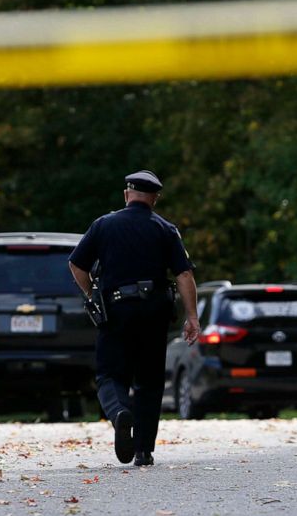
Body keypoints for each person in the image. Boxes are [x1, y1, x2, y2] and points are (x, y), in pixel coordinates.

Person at [68, 170, 200, 467]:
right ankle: (143, 451)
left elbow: (76, 264)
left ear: (127, 195)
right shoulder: (166, 229)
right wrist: (192, 317)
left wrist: (93, 296)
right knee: (150, 381)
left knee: (109, 375)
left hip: (116, 310)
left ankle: (118, 413)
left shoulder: (103, 225)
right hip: (154, 312)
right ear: (154, 198)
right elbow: (184, 274)